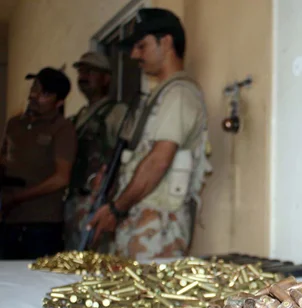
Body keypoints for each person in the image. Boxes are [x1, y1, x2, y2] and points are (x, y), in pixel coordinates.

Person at [86, 8, 211, 259]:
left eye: (141, 46)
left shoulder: (178, 94)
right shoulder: (158, 96)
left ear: (165, 43)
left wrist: (116, 208)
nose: (134, 55)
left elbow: (158, 160)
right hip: (142, 222)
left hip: (159, 227)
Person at [0, 67, 76, 259]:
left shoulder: (62, 128)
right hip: (9, 220)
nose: (34, 95)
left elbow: (61, 178)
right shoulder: (14, 123)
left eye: (45, 93)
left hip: (42, 224)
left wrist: (18, 198)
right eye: (34, 88)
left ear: (59, 102)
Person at [64, 51, 128, 251]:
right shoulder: (76, 119)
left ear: (106, 78)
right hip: (73, 203)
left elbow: (125, 157)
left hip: (98, 202)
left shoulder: (117, 112)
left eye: (90, 72)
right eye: (81, 71)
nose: (83, 76)